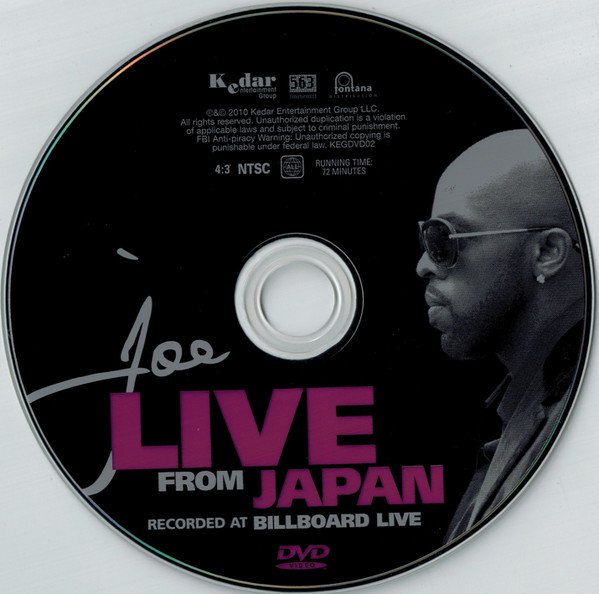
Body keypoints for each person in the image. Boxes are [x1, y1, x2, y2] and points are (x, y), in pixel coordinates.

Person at [416, 129, 585, 543]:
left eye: (443, 239)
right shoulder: (538, 400)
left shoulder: (579, 425)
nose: (424, 265)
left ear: (547, 252)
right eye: (427, 239)